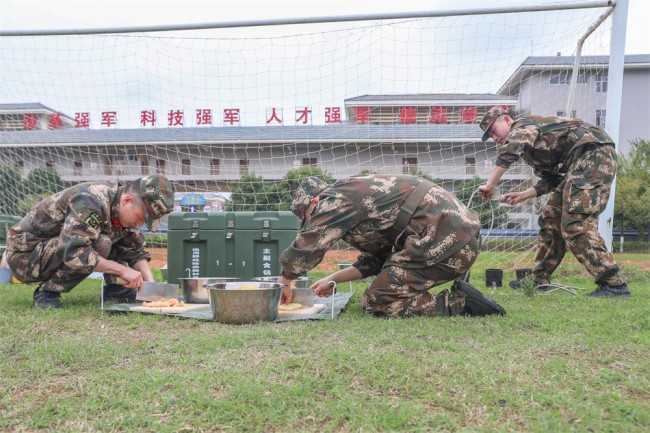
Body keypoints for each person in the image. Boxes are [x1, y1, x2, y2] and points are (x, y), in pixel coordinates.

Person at [277, 175, 506, 318]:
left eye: (309, 216)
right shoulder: (353, 197)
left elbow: (307, 246)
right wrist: (332, 279)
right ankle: (461, 297)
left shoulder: (334, 198)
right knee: (384, 286)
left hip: (446, 240)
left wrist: (284, 282)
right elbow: (376, 260)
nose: (313, 221)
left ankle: (461, 303)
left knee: (377, 301)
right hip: (456, 238)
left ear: (315, 202)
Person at [476, 106, 631, 297]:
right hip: (578, 164)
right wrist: (523, 194)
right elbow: (553, 178)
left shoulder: (523, 127)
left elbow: (509, 150)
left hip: (595, 155)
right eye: (491, 136)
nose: (495, 138)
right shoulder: (530, 148)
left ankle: (614, 284)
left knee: (575, 222)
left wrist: (490, 185)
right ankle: (539, 278)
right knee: (551, 216)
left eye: (494, 130)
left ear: (507, 120)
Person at [5, 174, 174, 308]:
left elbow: (134, 249)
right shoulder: (91, 199)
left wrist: (150, 285)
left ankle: (116, 290)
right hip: (25, 256)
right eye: (140, 217)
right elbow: (73, 251)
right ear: (127, 200)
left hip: (48, 249)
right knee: (100, 243)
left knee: (118, 236)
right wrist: (123, 271)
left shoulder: (121, 208)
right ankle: (48, 292)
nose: (140, 224)